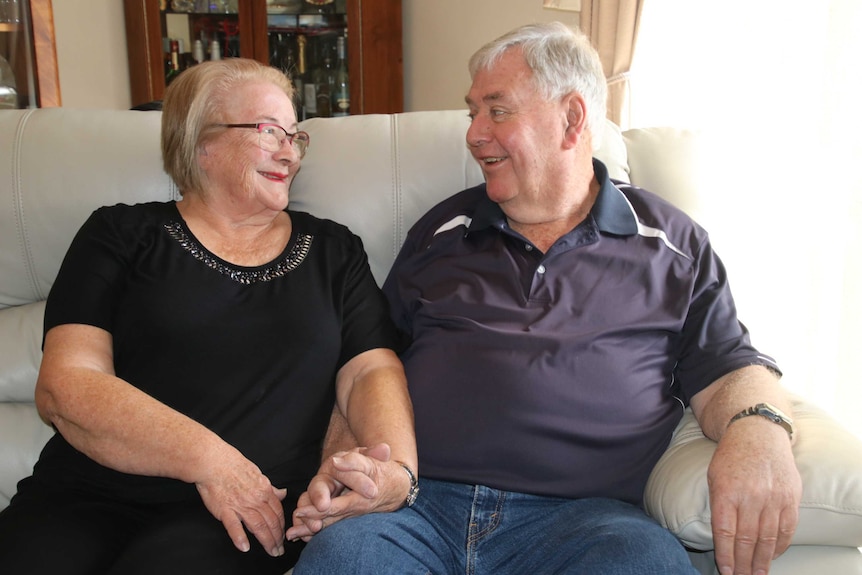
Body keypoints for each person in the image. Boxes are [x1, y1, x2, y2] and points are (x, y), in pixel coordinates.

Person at [288, 22, 802, 575]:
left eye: (498, 110)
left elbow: (728, 367)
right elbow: (368, 365)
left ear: (572, 119)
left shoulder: (670, 245)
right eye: (473, 113)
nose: (475, 134)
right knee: (343, 558)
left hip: (587, 525)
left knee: (643, 563)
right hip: (417, 513)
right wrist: (349, 467)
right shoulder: (443, 231)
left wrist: (760, 431)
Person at [0, 58, 416, 575]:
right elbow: (66, 384)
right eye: (269, 131)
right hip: (87, 493)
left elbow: (371, 370)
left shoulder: (334, 252)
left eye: (295, 136)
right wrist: (212, 462)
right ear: (200, 142)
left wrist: (395, 470)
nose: (290, 150)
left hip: (247, 514)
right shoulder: (120, 235)